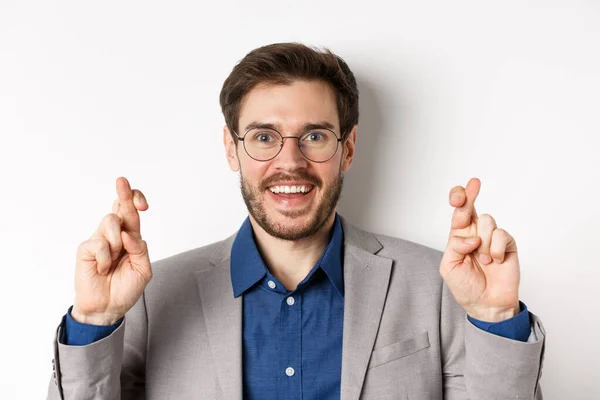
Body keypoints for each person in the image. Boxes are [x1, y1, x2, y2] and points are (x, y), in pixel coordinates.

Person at [47, 43, 545, 400]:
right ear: (231, 149)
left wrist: (495, 318)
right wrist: (94, 321)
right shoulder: (149, 296)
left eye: (315, 137)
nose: (291, 162)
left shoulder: (440, 286)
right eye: (264, 137)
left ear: (347, 149)